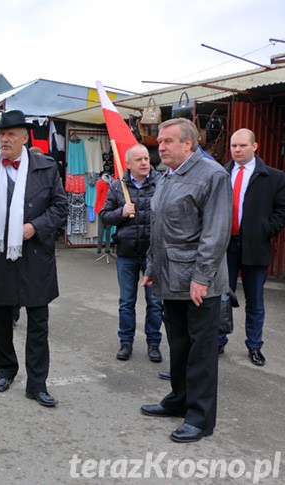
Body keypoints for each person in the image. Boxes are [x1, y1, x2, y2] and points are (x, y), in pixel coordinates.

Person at [0, 110, 67, 408]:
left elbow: (60, 206)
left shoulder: (45, 167)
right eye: (1, 134)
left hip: (35, 257)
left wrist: (35, 227)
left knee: (38, 323)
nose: (5, 139)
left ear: (25, 137)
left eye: (11, 134)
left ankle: (37, 384)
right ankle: (6, 371)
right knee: (0, 321)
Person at [140, 118, 231, 443]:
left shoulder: (213, 175)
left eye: (167, 141)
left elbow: (216, 232)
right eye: (160, 142)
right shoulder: (166, 176)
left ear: (188, 144)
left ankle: (201, 418)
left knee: (201, 352)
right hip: (169, 278)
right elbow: (158, 227)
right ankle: (179, 400)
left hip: (198, 283)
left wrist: (202, 278)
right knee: (178, 346)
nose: (160, 147)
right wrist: (151, 266)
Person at [217, 128, 285, 366]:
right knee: (221, 296)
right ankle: (218, 340)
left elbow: (282, 211)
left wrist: (266, 229)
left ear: (255, 147)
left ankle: (254, 346)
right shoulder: (221, 174)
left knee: (255, 301)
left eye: (242, 146)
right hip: (226, 246)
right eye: (234, 146)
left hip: (256, 246)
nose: (237, 150)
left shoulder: (274, 177)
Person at [99, 144, 163, 363]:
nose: (145, 163)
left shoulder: (161, 183)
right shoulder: (118, 187)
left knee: (155, 302)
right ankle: (126, 343)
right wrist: (122, 212)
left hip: (153, 253)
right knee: (127, 301)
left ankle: (153, 343)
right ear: (128, 164)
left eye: (146, 158)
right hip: (127, 253)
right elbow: (105, 216)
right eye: (139, 160)